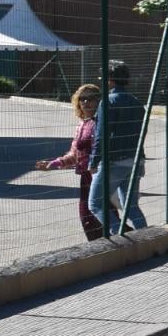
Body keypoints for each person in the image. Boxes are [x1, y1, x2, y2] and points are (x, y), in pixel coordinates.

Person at [34, 84, 105, 241]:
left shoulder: (100, 123)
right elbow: (74, 154)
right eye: (82, 99)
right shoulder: (82, 124)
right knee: (88, 217)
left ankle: (126, 243)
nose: (86, 102)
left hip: (100, 177)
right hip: (86, 177)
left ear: (99, 101)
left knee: (101, 215)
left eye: (91, 98)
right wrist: (52, 164)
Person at [87, 59, 149, 235]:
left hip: (113, 161)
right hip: (134, 160)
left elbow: (101, 136)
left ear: (110, 80)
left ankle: (119, 233)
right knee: (131, 206)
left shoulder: (108, 101)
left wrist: (94, 161)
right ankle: (147, 237)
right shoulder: (136, 102)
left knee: (96, 203)